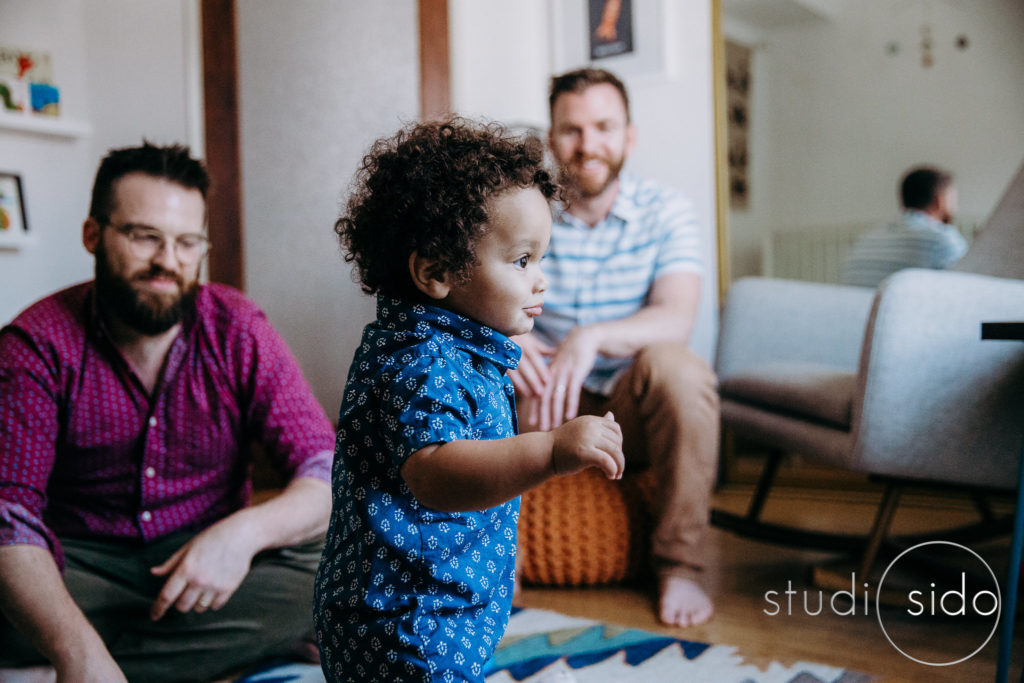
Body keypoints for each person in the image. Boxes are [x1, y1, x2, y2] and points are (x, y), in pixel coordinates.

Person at [0, 142, 335, 682]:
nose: (167, 262)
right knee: (12, 578)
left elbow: (322, 470)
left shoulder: (239, 327)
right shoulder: (34, 344)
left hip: (208, 566)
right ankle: (92, 653)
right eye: (144, 237)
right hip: (78, 567)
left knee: (346, 556)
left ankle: (65, 662)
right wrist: (75, 649)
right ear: (93, 236)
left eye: (186, 242)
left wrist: (241, 536)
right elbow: (10, 517)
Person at [314, 118, 625, 682]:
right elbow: (434, 472)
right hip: (406, 621)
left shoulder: (458, 347)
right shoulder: (424, 360)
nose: (540, 281)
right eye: (521, 260)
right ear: (436, 272)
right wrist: (552, 451)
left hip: (433, 606)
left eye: (543, 258)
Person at [509, 68, 719, 628]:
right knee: (493, 369)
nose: (588, 144)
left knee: (680, 368)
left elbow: (676, 317)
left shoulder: (667, 210)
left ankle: (681, 564)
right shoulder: (523, 212)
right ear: (553, 140)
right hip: (543, 400)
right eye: (572, 130)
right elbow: (476, 292)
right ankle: (501, 563)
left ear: (629, 136)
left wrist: (593, 337)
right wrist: (506, 341)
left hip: (632, 404)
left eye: (604, 127)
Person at [841, 165, 968, 288]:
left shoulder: (864, 240)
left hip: (860, 309)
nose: (956, 206)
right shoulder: (941, 238)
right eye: (953, 198)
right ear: (940, 200)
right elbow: (969, 287)